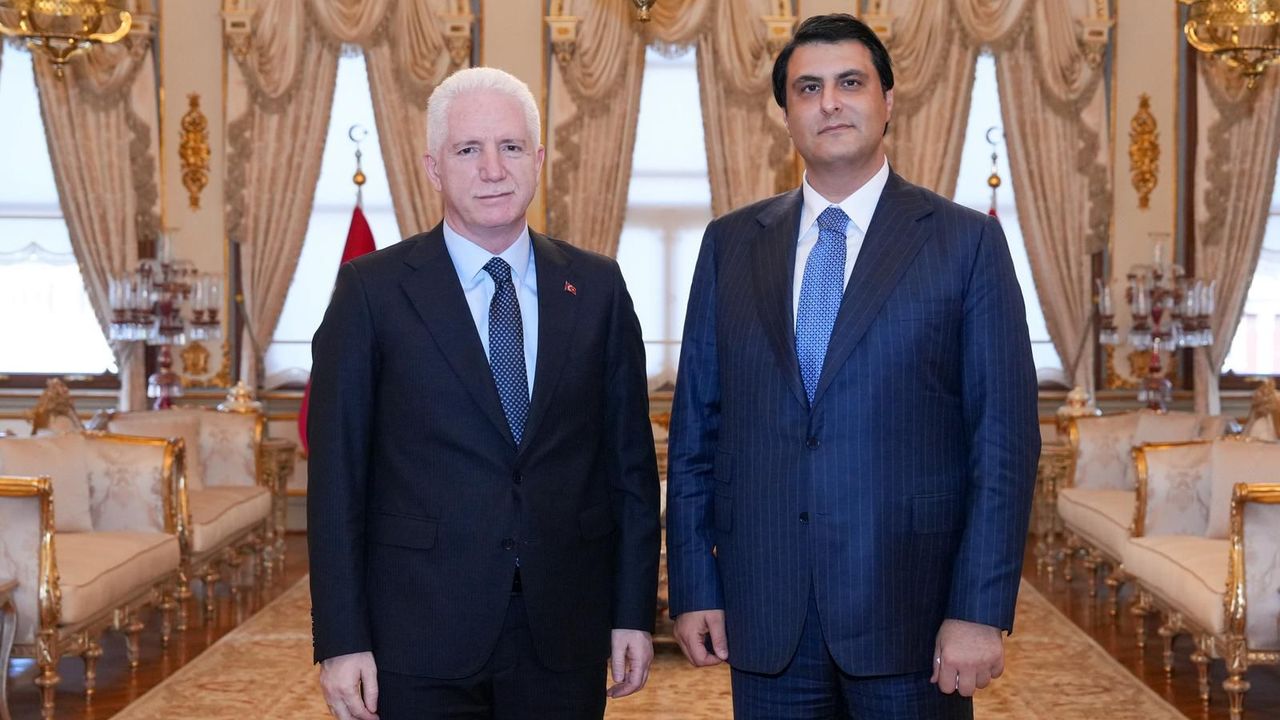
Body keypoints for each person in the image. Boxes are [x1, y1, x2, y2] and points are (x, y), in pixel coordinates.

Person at [666, 14, 1040, 719]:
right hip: (766, 614)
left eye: (850, 83)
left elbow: (1003, 443)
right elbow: (695, 436)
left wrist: (978, 609)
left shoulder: (965, 245)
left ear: (887, 100)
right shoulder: (729, 245)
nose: (830, 103)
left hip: (913, 615)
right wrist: (694, 586)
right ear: (786, 114)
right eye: (808, 88)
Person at [307, 67, 661, 720]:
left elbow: (630, 470)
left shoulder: (598, 288)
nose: (493, 169)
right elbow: (336, 482)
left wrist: (632, 612)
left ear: (539, 160)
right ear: (434, 168)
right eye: (469, 149)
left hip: (565, 628)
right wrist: (341, 638)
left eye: (511, 147)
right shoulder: (371, 293)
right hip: (417, 629)